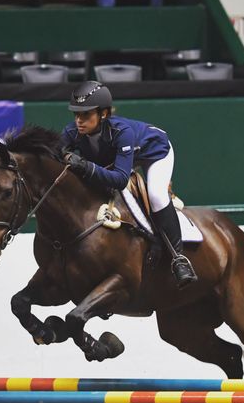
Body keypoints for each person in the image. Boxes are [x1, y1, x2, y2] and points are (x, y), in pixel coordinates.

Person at [61, 81, 197, 288]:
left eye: (86, 114)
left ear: (103, 114)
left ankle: (179, 259)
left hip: (155, 151)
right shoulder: (72, 131)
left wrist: (87, 167)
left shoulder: (122, 132)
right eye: (76, 114)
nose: (79, 120)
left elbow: (120, 179)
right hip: (122, 157)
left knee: (156, 195)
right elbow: (54, 153)